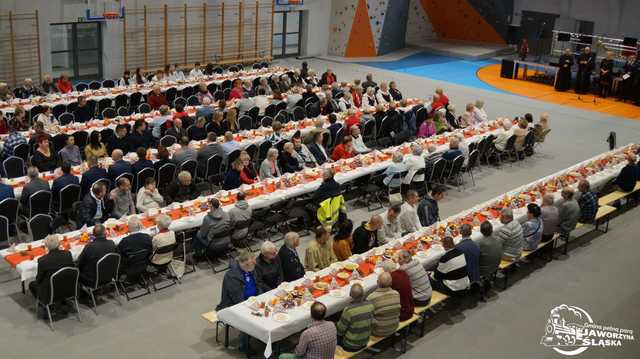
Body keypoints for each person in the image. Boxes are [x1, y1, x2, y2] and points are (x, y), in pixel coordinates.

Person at [28, 235, 74, 300]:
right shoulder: (68, 254)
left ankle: (44, 304)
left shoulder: (42, 260)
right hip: (69, 288)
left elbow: (38, 280)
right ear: (59, 244)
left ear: (46, 247)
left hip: (51, 293)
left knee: (32, 285)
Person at [335, 283, 374, 352]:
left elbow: (340, 331)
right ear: (363, 294)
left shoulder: (349, 310)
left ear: (350, 295)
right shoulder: (371, 305)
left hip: (350, 345)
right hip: (365, 341)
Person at [367, 272, 401, 337]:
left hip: (378, 330)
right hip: (394, 326)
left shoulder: (371, 297)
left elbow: (367, 316)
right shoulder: (396, 294)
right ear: (391, 283)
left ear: (377, 282)